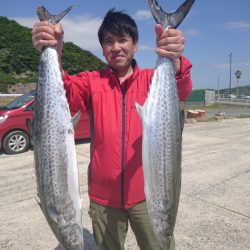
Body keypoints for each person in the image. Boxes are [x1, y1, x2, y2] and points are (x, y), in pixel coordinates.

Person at [32, 8, 192, 250]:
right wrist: (54, 47)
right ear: (102, 48)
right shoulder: (91, 81)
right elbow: (64, 93)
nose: (116, 47)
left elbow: (181, 88)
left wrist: (175, 58)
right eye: (109, 41)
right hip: (104, 200)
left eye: (123, 40)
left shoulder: (152, 79)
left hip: (149, 196)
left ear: (135, 45)